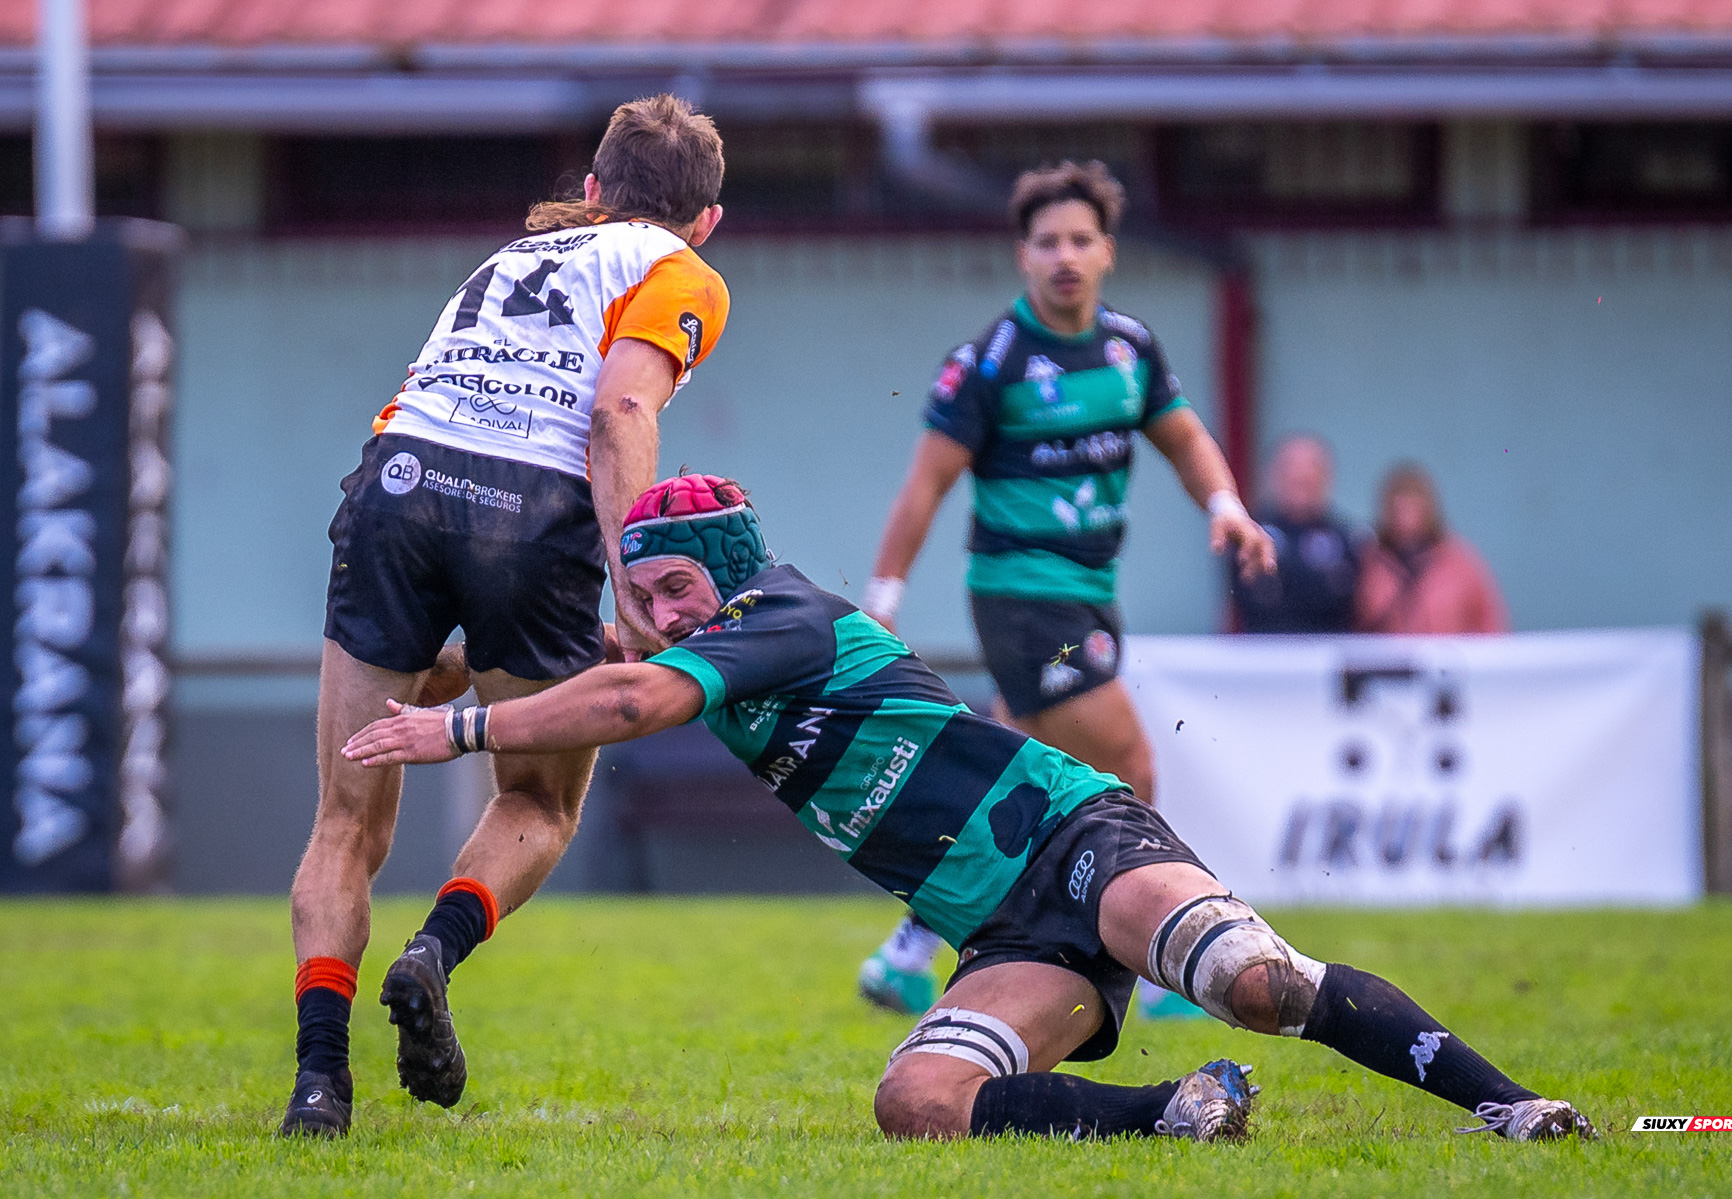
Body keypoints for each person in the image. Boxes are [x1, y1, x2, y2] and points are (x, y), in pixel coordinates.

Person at [342, 473, 1595, 1145]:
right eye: (644, 599)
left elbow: (624, 702)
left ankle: (1506, 1101)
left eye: (674, 590)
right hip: (1002, 930)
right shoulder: (682, 646)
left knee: (1258, 985)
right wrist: (439, 667)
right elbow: (579, 675)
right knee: (917, 1105)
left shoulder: (778, 614)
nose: (661, 615)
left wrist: (449, 729)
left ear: (722, 571)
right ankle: (1176, 1112)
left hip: (1075, 832)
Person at [281, 95, 732, 1138]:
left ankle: (317, 1080)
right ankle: (433, 950)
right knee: (539, 791)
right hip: (530, 504)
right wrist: (635, 575)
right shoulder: (680, 271)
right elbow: (621, 408)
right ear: (705, 221)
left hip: (397, 481)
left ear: (590, 192)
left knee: (346, 816)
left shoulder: (505, 260)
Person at [855, 161, 1275, 1015]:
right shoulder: (990, 362)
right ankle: (1164, 957)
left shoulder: (1130, 348)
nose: (1065, 257)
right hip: (1022, 600)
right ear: (1024, 256)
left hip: (1089, 594)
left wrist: (1227, 504)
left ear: (1108, 251)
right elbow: (924, 487)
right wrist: (884, 599)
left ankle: (911, 944)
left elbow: (1186, 439)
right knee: (1130, 763)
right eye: (1048, 242)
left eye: (1080, 240)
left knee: (1014, 780)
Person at [1356, 464, 1508, 634]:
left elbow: (1488, 621)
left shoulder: (1459, 562)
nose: (1404, 513)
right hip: (1383, 658)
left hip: (1447, 658)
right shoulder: (1367, 561)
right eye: (1399, 504)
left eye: (1413, 503)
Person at [1233, 434, 1362, 633]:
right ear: (1275, 476)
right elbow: (1256, 598)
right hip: (1263, 654)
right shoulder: (1250, 532)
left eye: (1309, 477)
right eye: (1292, 474)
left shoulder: (1346, 538)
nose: (1301, 479)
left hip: (1327, 653)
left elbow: (1342, 600)